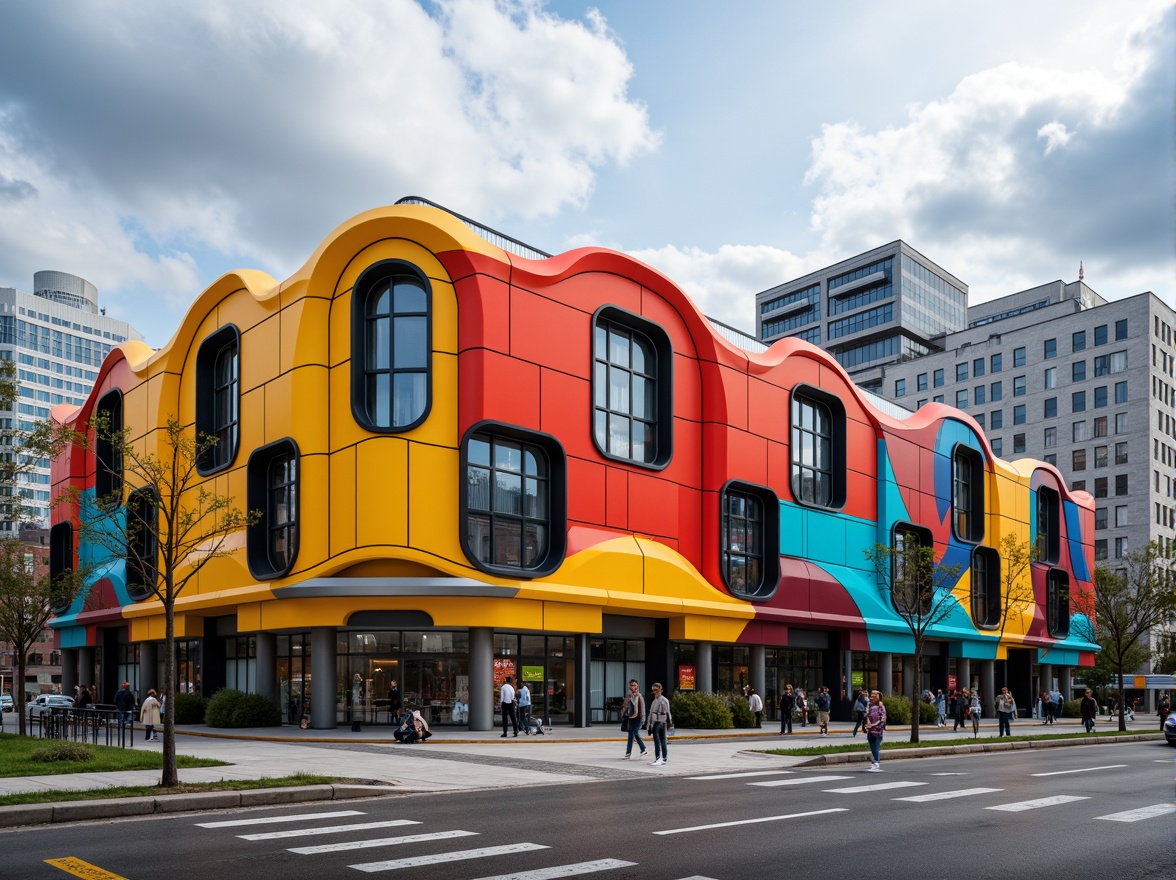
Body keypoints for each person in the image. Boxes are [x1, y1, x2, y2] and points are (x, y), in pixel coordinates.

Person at [645, 682, 673, 766]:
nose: (655, 692)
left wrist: (669, 724)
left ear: (661, 690)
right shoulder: (655, 700)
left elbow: (667, 713)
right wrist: (649, 725)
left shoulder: (663, 700)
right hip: (656, 722)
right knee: (659, 741)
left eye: (657, 690)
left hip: (661, 722)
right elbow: (650, 714)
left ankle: (661, 758)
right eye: (654, 690)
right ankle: (661, 758)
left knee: (660, 741)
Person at [621, 679, 647, 759]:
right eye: (631, 685)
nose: (633, 687)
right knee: (631, 735)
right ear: (629, 686)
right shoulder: (629, 697)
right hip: (631, 718)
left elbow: (642, 709)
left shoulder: (639, 697)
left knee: (635, 733)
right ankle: (630, 752)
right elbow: (625, 707)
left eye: (634, 685)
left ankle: (642, 749)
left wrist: (643, 720)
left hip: (638, 718)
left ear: (637, 686)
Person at [862, 690, 886, 771]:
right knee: (872, 747)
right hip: (870, 730)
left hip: (877, 731)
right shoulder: (870, 706)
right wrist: (866, 725)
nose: (872, 696)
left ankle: (876, 762)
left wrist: (878, 726)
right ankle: (875, 762)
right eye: (871, 694)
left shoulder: (881, 707)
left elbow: (882, 718)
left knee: (875, 747)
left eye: (874, 694)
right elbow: (867, 716)